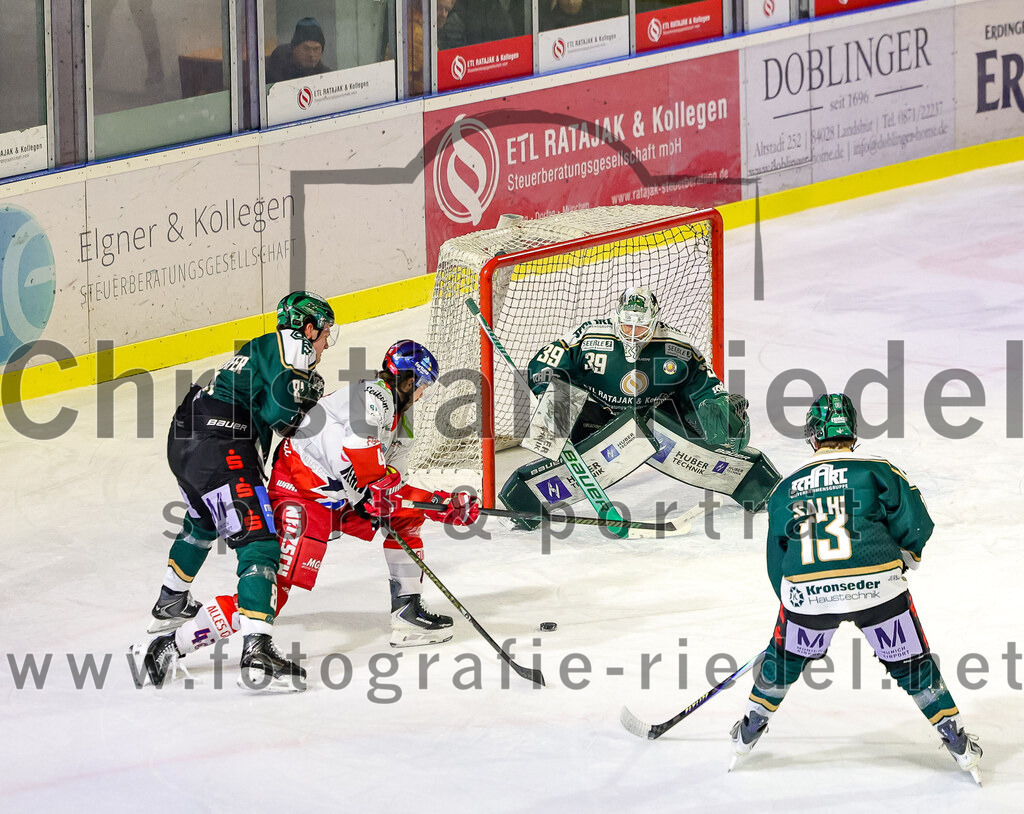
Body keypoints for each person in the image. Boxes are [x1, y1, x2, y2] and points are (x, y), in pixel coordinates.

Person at [140, 340, 481, 687]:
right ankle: (172, 643)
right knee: (275, 589)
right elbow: (376, 484)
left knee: (405, 519)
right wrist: (440, 505)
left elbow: (389, 490)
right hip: (300, 493)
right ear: (408, 381)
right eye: (422, 385)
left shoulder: (401, 421)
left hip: (338, 496)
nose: (423, 394)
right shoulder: (371, 399)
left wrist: (436, 506)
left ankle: (407, 613)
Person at [729, 393, 983, 783]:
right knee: (912, 664)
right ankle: (956, 739)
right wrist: (906, 560)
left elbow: (776, 559)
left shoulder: (785, 487)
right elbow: (917, 523)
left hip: (808, 596)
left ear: (812, 436)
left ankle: (749, 729)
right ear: (853, 431)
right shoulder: (878, 469)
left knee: (783, 662)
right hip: (879, 589)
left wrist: (794, 608)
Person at [143, 291, 334, 690]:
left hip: (185, 440)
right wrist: (313, 403)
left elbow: (269, 409)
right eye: (324, 333)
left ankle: (171, 601)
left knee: (202, 523)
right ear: (308, 327)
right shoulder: (293, 346)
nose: (326, 343)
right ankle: (257, 646)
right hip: (222, 444)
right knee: (260, 538)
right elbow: (285, 421)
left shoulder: (257, 350)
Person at [501, 287, 774, 524]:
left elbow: (703, 386)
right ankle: (543, 476)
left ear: (655, 323)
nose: (633, 334)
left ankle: (742, 468)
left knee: (719, 422)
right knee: (557, 400)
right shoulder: (590, 335)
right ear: (616, 318)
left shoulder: (677, 346)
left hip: (654, 418)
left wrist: (717, 409)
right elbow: (547, 362)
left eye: (641, 327)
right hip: (596, 418)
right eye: (627, 326)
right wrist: (547, 390)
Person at [266, 17, 332, 83]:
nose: (311, 54)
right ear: (294, 49)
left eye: (316, 49)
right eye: (306, 49)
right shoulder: (275, 68)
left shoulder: (327, 77)